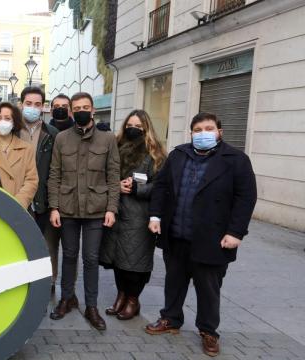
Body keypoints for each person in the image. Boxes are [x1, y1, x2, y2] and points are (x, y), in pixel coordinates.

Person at [145, 112, 257, 357]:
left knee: (208, 288)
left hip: (213, 239)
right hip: (176, 234)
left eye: (208, 128)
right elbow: (161, 186)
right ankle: (171, 319)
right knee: (173, 282)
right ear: (191, 133)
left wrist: (236, 232)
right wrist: (155, 216)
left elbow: (246, 198)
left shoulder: (236, 160)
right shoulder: (178, 155)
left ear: (219, 132)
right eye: (197, 129)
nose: (203, 133)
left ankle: (208, 331)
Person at [47, 92, 120, 330]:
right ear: (70, 111)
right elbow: (54, 174)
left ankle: (91, 306)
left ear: (93, 110)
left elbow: (113, 175)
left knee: (90, 258)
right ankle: (67, 299)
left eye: (85, 107)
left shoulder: (107, 139)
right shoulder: (62, 139)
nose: (80, 110)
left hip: (96, 209)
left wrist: (111, 208)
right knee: (68, 256)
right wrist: (54, 207)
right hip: (67, 208)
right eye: (76, 107)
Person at [99, 110, 167, 321]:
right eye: (130, 124)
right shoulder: (115, 147)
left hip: (139, 215)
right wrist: (115, 185)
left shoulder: (155, 153)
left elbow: (161, 186)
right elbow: (102, 175)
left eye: (138, 126)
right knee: (117, 260)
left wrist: (138, 189)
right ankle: (121, 295)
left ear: (146, 128)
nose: (133, 128)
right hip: (116, 211)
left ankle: (133, 300)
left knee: (135, 262)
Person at [19, 87, 60, 291]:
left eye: (37, 104)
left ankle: (48, 284)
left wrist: (54, 203)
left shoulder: (53, 134)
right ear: (21, 105)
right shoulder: (12, 131)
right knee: (20, 243)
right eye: (28, 104)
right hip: (18, 197)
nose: (33, 108)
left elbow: (57, 170)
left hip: (44, 197)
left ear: (43, 107)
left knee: (48, 245)